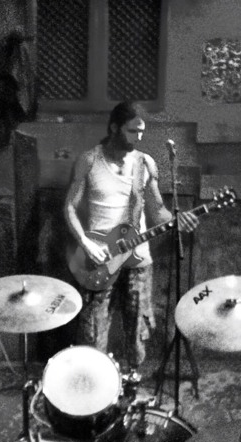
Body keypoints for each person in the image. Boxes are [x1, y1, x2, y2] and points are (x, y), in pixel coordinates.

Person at [64, 101, 198, 373]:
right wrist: (85, 243)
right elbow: (69, 207)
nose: (138, 137)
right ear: (114, 128)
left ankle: (132, 381)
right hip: (99, 258)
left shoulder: (145, 163)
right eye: (132, 131)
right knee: (93, 331)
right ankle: (97, 382)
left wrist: (177, 221)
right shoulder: (90, 160)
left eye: (141, 131)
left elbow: (157, 210)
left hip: (138, 259)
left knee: (137, 329)